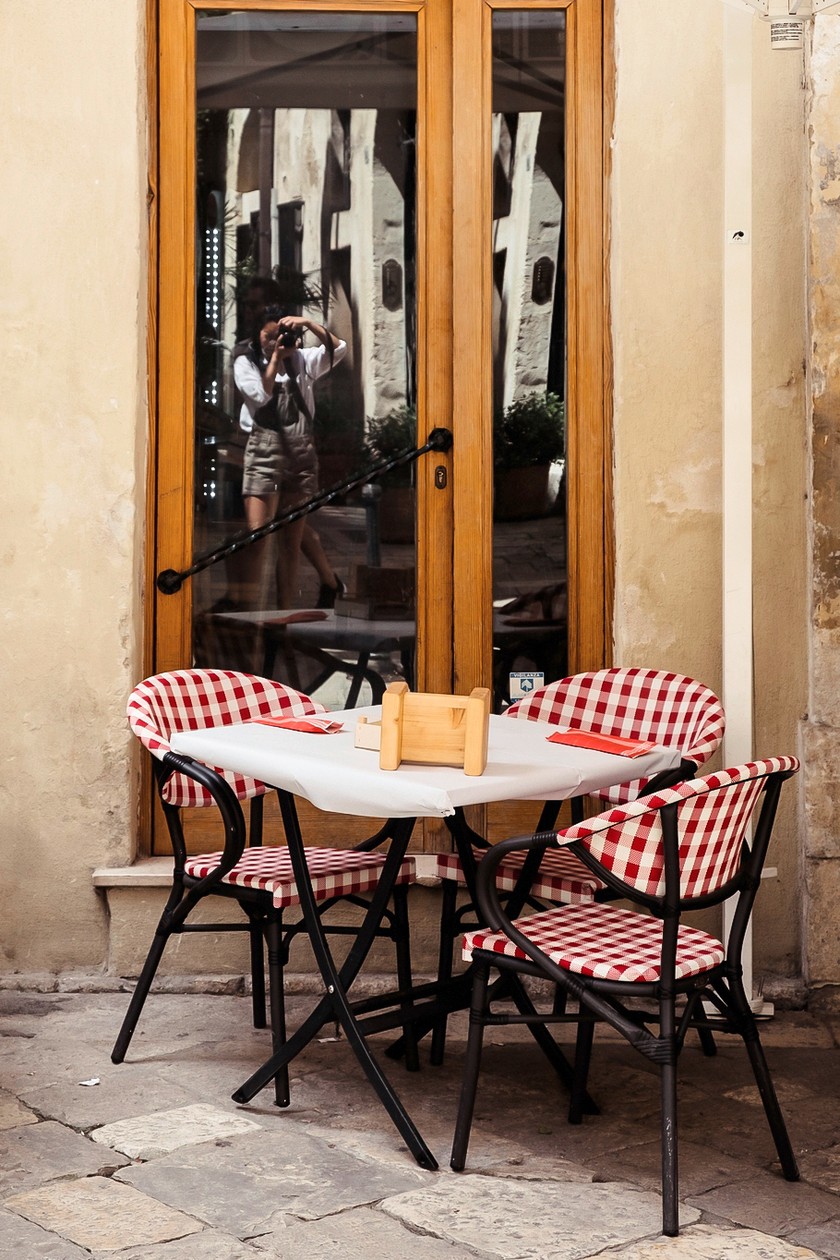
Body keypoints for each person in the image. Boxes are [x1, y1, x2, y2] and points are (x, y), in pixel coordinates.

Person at [233, 306, 347, 609]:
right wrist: (274, 359)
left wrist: (309, 323)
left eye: (281, 335)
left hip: (299, 453)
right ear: (256, 336)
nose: (276, 341)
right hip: (264, 451)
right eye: (269, 337)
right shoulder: (247, 362)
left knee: (290, 542)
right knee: (258, 535)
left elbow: (340, 349)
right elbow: (260, 396)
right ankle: (251, 614)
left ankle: (283, 621)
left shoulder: (302, 360)